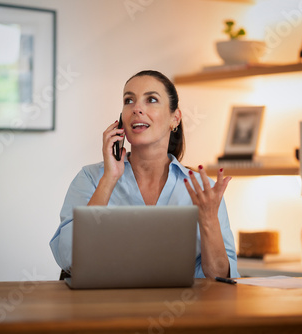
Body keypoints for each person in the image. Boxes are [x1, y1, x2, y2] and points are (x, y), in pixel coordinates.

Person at [50, 70, 239, 278]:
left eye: (151, 99)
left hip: (182, 308)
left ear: (174, 118)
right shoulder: (91, 178)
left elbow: (221, 278)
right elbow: (70, 259)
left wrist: (209, 219)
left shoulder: (204, 191)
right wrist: (109, 179)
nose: (137, 108)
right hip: (105, 307)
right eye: (128, 100)